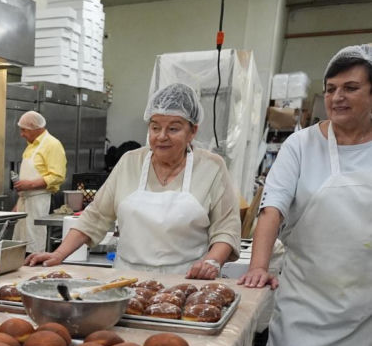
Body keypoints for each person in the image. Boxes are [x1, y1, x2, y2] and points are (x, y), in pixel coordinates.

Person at [240, 44, 372, 346]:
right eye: (331, 88)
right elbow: (272, 206)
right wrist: (258, 266)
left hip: (362, 295)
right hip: (306, 287)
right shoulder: (302, 144)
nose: (337, 97)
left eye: (351, 88)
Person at [26, 83, 240, 278]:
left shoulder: (211, 167)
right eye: (155, 127)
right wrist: (58, 253)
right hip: (126, 280)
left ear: (193, 131)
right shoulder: (130, 162)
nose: (161, 136)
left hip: (187, 281)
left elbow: (226, 228)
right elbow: (96, 216)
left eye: (173, 128)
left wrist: (211, 262)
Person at [13, 110, 66, 254]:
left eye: (24, 130)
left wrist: (29, 185)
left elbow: (57, 176)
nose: (21, 134)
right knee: (20, 244)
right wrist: (18, 203)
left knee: (35, 243)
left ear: (35, 128)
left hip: (41, 201)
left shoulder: (52, 144)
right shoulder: (31, 145)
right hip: (25, 201)